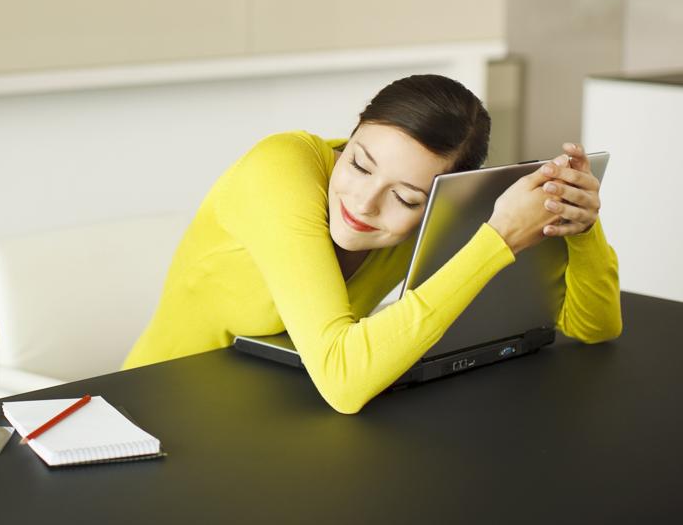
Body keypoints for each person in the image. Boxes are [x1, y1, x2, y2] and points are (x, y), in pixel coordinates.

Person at [122, 74, 621, 413]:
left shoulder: (437, 211)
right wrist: (496, 241)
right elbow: (343, 381)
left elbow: (592, 327)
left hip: (275, 412)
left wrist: (581, 226)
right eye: (359, 163)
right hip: (156, 408)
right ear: (353, 129)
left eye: (404, 197)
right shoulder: (279, 169)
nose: (362, 203)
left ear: (434, 203)